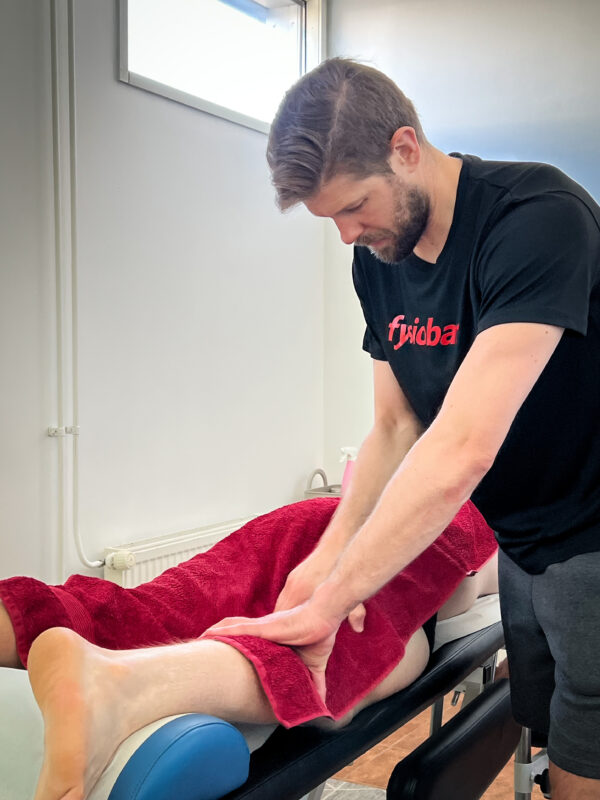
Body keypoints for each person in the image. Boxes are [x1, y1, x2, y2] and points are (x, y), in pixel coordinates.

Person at [208, 59, 600, 800]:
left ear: (406, 148)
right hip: (524, 536)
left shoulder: (538, 218)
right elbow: (394, 426)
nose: (349, 234)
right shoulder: (378, 258)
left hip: (595, 531)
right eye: (332, 221)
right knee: (544, 735)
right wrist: (328, 561)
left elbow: (460, 446)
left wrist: (327, 610)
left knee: (586, 763)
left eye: (355, 206)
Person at [0, 497, 498, 800]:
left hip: (294, 525)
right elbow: (482, 585)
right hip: (408, 537)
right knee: (338, 667)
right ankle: (118, 687)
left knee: (143, 609)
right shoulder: (489, 509)